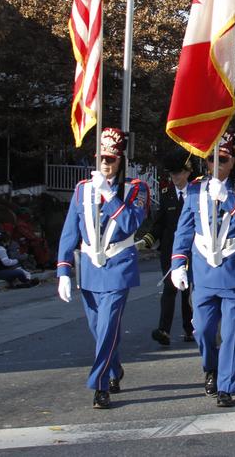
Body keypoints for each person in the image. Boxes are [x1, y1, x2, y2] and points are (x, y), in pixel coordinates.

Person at [56, 127, 149, 409]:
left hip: (118, 266)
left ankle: (99, 386)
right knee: (99, 329)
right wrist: (62, 270)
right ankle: (113, 368)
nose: (106, 164)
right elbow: (70, 231)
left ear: (121, 161)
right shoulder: (83, 189)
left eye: (111, 159)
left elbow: (131, 223)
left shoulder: (136, 189)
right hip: (89, 269)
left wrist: (109, 196)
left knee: (108, 326)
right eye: (102, 159)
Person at [170, 131, 235, 408]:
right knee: (202, 330)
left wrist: (227, 198)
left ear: (233, 161)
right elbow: (184, 230)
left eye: (222, 160)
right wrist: (178, 264)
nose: (217, 166)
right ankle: (211, 367)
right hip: (205, 271)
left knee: (233, 334)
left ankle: (227, 386)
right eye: (212, 161)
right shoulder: (196, 189)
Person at [149, 151, 194, 347]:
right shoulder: (167, 196)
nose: (175, 178)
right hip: (169, 251)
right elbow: (159, 223)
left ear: (187, 173)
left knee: (187, 291)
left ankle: (189, 328)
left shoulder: (196, 194)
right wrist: (148, 239)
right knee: (169, 289)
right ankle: (164, 330)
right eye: (172, 174)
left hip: (192, 251)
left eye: (179, 173)